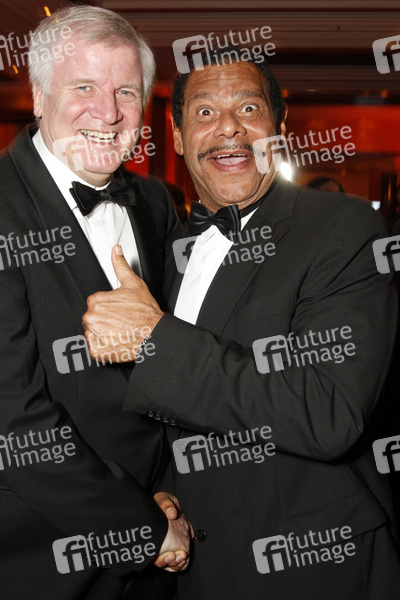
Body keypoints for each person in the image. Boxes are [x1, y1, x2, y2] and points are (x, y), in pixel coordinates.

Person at [83, 46, 400, 599]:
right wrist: (158, 492)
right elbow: (177, 408)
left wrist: (155, 339)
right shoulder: (172, 248)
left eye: (249, 109)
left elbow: (330, 412)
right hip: (196, 565)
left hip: (312, 568)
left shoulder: (343, 228)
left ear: (279, 127)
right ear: (177, 137)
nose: (228, 127)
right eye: (204, 112)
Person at [0, 6, 192, 600]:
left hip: (161, 525)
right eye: (84, 87)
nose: (108, 114)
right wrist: (141, 527)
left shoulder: (154, 202)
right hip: (42, 552)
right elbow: (12, 420)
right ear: (39, 97)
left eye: (125, 92)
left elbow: (173, 358)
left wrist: (168, 492)